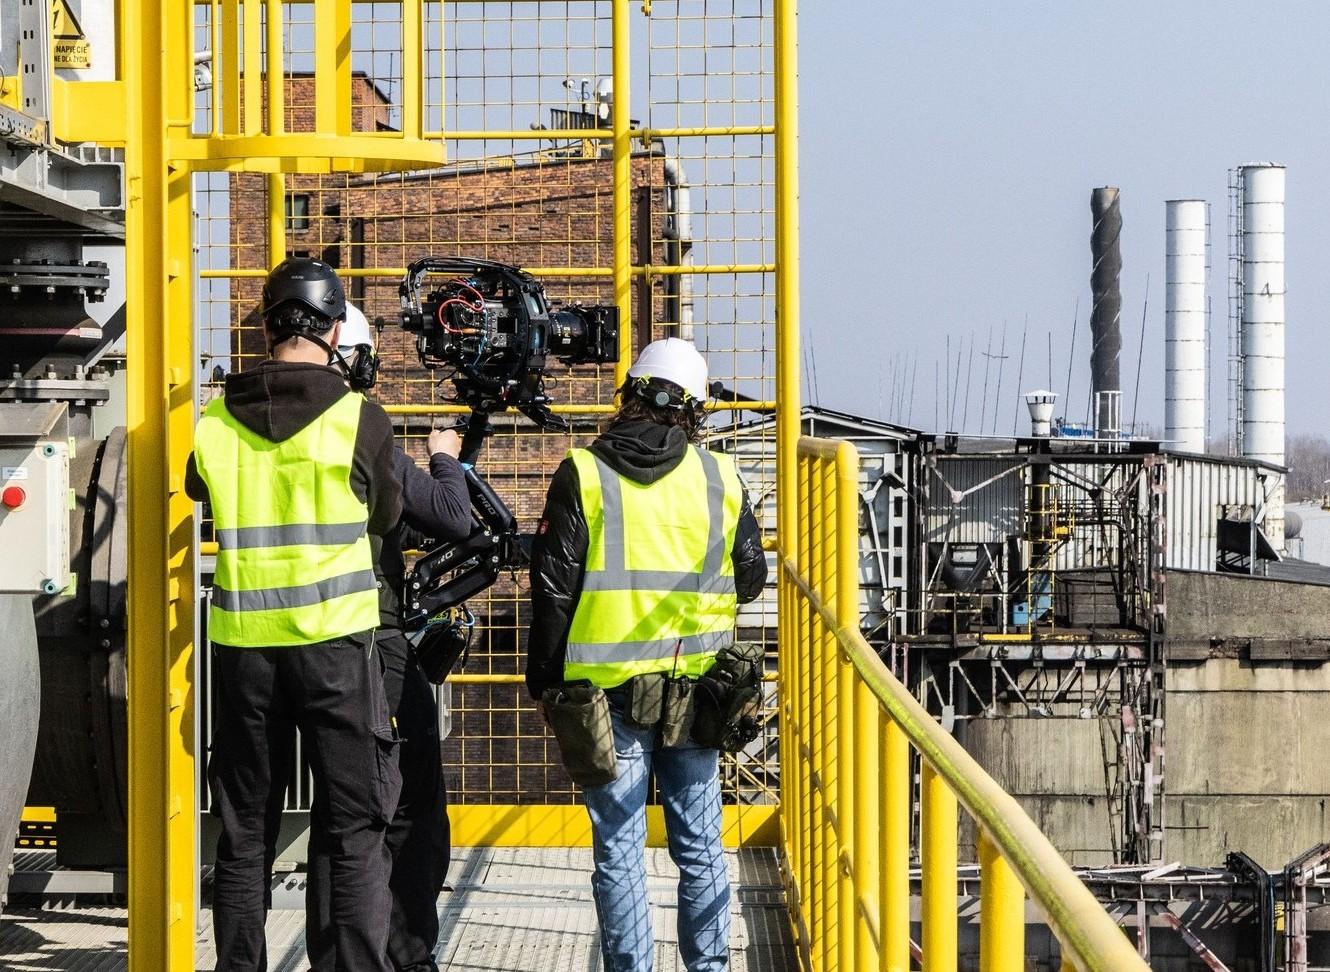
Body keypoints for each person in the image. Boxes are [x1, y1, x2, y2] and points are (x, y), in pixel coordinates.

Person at [187, 258, 403, 972]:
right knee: (352, 827)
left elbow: (197, 488)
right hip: (337, 651)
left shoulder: (214, 423)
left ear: (270, 326)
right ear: (336, 329)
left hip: (245, 654)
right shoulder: (359, 419)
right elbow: (389, 516)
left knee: (245, 832)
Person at [526, 338, 769, 972]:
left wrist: (544, 684)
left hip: (606, 696)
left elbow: (553, 589)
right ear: (694, 409)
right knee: (701, 845)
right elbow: (750, 576)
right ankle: (709, 966)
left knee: (620, 848)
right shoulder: (720, 477)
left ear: (630, 393)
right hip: (697, 692)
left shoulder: (583, 471)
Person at [305, 305, 471, 972]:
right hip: (375, 646)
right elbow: (453, 517)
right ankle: (405, 954)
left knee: (337, 815)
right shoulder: (364, 436)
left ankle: (337, 957)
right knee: (410, 808)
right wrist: (444, 457)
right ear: (357, 363)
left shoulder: (267, 435)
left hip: (299, 644)